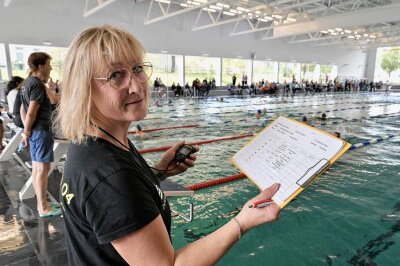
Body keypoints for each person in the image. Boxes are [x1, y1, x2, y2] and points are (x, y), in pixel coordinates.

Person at [56, 25, 281, 266]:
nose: (136, 85)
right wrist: (242, 221)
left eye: (137, 68)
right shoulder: (111, 174)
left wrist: (159, 171)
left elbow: (118, 201)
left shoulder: (93, 143)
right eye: (115, 76)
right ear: (85, 89)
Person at [20, 52, 61, 218]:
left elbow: (23, 109)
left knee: (38, 169)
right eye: (48, 64)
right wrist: (26, 132)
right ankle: (43, 207)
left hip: (36, 131)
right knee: (42, 169)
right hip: (41, 130)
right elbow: (30, 112)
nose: (50, 67)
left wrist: (27, 131)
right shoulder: (36, 84)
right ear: (40, 65)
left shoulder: (26, 83)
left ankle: (41, 203)